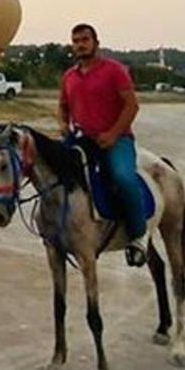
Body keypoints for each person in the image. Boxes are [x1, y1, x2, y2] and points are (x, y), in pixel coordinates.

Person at [59, 23, 147, 267]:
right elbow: (63, 107)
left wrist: (113, 134)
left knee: (123, 177)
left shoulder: (115, 70)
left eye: (85, 39)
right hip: (81, 139)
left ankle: (138, 235)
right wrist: (63, 125)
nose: (80, 44)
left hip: (117, 140)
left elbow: (132, 106)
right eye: (75, 40)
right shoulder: (69, 76)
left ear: (96, 42)